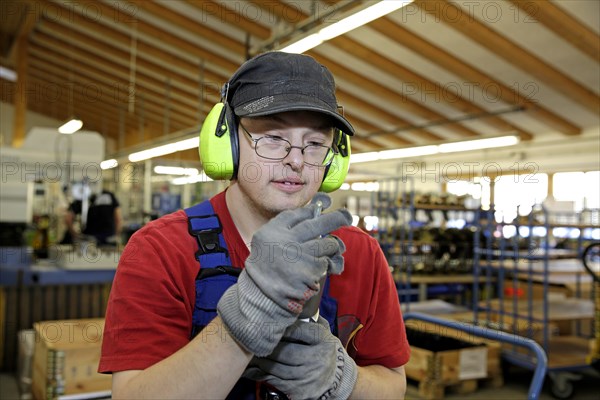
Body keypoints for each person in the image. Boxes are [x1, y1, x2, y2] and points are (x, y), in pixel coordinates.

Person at [99, 52, 410, 399]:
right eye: (273, 137)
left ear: (334, 158)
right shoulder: (160, 250)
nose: (296, 160)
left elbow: (394, 387)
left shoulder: (359, 253)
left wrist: (341, 380)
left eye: (315, 144)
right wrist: (247, 318)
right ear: (227, 142)